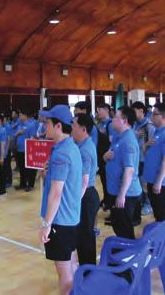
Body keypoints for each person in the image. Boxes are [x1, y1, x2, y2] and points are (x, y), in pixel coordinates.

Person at [38, 105, 81, 295]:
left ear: (57, 126)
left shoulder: (61, 154)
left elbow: (56, 193)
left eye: (47, 123)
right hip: (71, 217)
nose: (44, 127)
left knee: (65, 274)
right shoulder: (71, 146)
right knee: (71, 264)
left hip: (60, 221)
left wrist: (47, 224)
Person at [104, 106, 142, 238]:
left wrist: (122, 194)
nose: (112, 120)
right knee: (118, 224)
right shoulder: (118, 138)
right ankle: (124, 252)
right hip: (116, 190)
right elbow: (112, 156)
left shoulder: (128, 141)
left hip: (127, 193)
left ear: (124, 121)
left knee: (124, 228)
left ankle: (129, 255)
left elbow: (129, 170)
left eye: (115, 117)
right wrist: (105, 157)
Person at [71, 113, 100, 265]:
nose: (71, 128)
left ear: (83, 129)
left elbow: (84, 180)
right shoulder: (81, 145)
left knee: (85, 238)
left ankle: (88, 272)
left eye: (74, 125)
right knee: (83, 236)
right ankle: (85, 269)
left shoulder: (85, 150)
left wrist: (75, 201)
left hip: (86, 196)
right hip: (85, 195)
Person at [143, 103, 165, 222]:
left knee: (162, 216)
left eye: (155, 114)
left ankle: (164, 240)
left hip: (161, 183)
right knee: (157, 214)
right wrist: (145, 146)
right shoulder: (157, 132)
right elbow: (150, 154)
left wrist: (158, 182)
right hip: (153, 180)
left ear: (164, 117)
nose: (152, 117)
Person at [132, 101, 155, 223]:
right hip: (136, 159)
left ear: (141, 111)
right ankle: (140, 203)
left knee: (145, 184)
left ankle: (148, 204)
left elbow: (152, 143)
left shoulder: (149, 126)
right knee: (139, 184)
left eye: (135, 111)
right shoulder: (135, 125)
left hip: (145, 160)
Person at [95, 103, 114, 212]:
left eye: (99, 110)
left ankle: (110, 202)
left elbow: (112, 141)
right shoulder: (99, 124)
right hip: (100, 157)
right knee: (103, 179)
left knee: (108, 180)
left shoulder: (110, 124)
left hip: (107, 158)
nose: (98, 113)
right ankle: (106, 199)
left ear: (106, 110)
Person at [14, 110, 37, 192]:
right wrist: (18, 134)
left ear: (25, 116)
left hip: (27, 150)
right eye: (19, 115)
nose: (19, 117)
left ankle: (30, 185)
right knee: (21, 168)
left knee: (29, 169)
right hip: (19, 149)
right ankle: (22, 184)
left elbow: (33, 137)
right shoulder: (19, 125)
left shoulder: (30, 125)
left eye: (21, 115)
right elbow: (15, 135)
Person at [3, 114, 13, 188]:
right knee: (3, 166)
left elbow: (9, 139)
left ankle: (9, 181)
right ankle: (4, 180)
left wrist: (6, 151)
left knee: (7, 166)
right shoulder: (2, 126)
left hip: (7, 149)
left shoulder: (7, 126)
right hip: (2, 149)